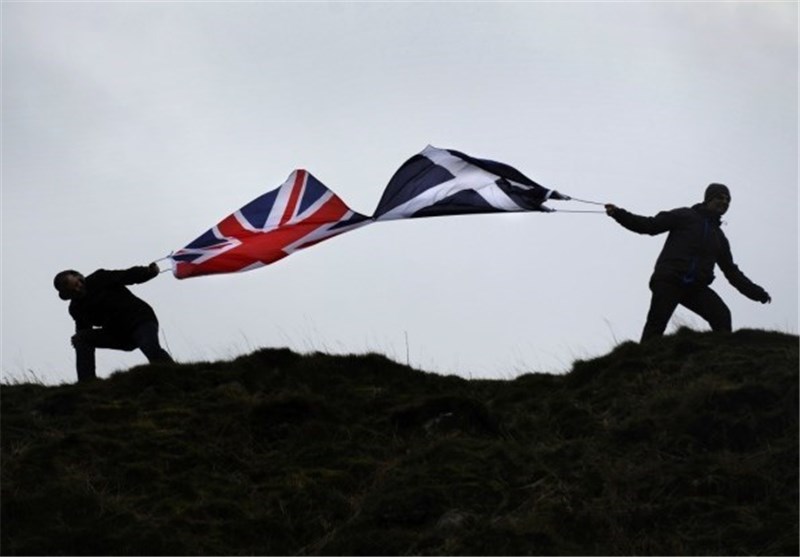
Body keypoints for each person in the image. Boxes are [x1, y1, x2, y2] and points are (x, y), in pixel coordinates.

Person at [605, 183, 771, 342]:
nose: (725, 202)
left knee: (721, 315)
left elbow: (732, 272)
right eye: (720, 197)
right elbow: (650, 225)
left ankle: (716, 360)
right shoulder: (684, 215)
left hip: (695, 287)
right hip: (669, 279)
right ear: (708, 199)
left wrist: (757, 293)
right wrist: (619, 214)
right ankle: (640, 366)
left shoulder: (719, 237)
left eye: (728, 200)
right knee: (656, 326)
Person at [54, 263, 174, 382]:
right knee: (81, 338)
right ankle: (87, 384)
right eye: (73, 291)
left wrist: (148, 272)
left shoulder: (99, 278)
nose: (78, 288)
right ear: (67, 295)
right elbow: (84, 330)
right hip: (119, 334)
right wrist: (78, 339)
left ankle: (175, 375)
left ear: (78, 277)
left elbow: (127, 275)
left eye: (77, 284)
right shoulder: (76, 308)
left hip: (140, 321)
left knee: (151, 349)